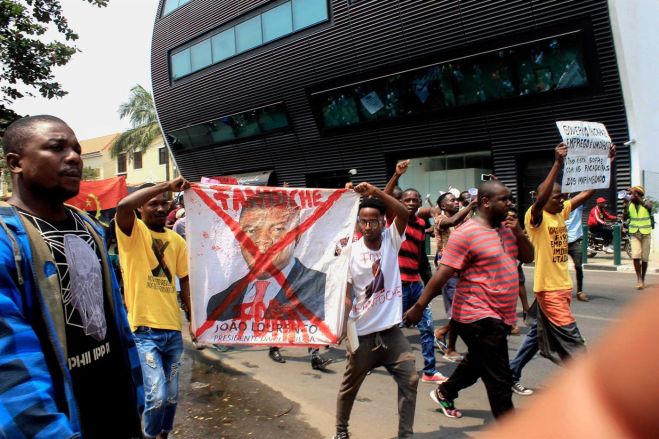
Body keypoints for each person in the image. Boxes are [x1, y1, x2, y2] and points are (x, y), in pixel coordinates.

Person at [0, 115, 143, 437]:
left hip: (119, 412)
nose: (75, 157)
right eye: (57, 147)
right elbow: (9, 368)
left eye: (77, 149)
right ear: (16, 162)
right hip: (63, 421)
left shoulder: (88, 226)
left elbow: (114, 319)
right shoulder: (8, 240)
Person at [404, 180, 534, 420]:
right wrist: (419, 306)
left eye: (510, 199)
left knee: (477, 363)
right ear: (485, 202)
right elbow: (442, 275)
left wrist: (518, 231)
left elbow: (528, 256)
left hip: (502, 314)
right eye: (504, 199)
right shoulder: (466, 234)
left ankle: (445, 391)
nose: (510, 204)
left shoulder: (507, 228)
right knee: (500, 379)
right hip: (477, 315)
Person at [509, 142, 616, 396]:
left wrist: (607, 165)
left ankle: (511, 374)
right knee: (574, 340)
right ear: (544, 199)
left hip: (561, 288)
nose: (562, 200)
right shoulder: (535, 218)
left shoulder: (560, 212)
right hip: (550, 291)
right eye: (557, 197)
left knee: (535, 337)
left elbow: (585, 194)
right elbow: (544, 198)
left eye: (562, 197)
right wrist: (557, 163)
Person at [334, 182, 418, 439]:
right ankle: (341, 430)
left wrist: (374, 192)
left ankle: (405, 435)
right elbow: (347, 296)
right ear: (358, 223)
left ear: (383, 221)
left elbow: (403, 213)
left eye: (374, 221)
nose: (368, 227)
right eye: (363, 222)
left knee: (411, 379)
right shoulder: (352, 253)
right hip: (363, 335)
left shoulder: (392, 240)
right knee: (350, 387)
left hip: (392, 334)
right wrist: (341, 328)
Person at [115, 177, 192, 439]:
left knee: (170, 397)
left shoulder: (177, 241)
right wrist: (166, 186)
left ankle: (163, 435)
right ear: (141, 208)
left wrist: (193, 321)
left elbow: (185, 280)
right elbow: (123, 206)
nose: (160, 208)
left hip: (172, 330)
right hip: (144, 331)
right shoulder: (132, 232)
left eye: (164, 204)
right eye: (153, 204)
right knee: (156, 395)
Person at [205, 191, 326, 323]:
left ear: (297, 237)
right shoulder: (218, 303)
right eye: (250, 231)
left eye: (277, 229)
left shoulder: (324, 290)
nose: (262, 240)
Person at [385, 160, 446, 383]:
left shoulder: (421, 224)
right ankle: (372, 359)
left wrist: (428, 280)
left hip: (415, 285)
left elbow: (420, 258)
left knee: (427, 327)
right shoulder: (393, 220)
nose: (410, 203)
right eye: (406, 200)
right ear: (399, 203)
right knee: (388, 328)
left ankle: (429, 370)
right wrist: (396, 175)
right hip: (396, 285)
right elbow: (386, 195)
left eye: (414, 200)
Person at [432, 191, 476, 362]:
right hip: (449, 273)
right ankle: (450, 348)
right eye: (452, 200)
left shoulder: (464, 219)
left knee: (465, 311)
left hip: (464, 271)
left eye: (457, 200)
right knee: (457, 313)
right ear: (443, 206)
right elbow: (452, 221)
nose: (456, 202)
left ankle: (442, 333)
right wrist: (471, 205)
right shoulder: (440, 219)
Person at [624, 185, 654, 289]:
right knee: (636, 256)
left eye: (633, 193)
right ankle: (639, 279)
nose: (631, 195)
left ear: (639, 194)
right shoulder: (630, 203)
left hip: (646, 233)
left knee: (644, 258)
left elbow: (648, 207)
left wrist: (636, 196)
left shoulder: (647, 201)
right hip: (634, 233)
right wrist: (625, 204)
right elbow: (625, 217)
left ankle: (643, 278)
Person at [565, 204, 588, 301]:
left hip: (574, 241)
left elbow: (587, 194)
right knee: (556, 267)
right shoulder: (558, 206)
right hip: (559, 241)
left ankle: (580, 291)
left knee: (578, 266)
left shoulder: (578, 206)